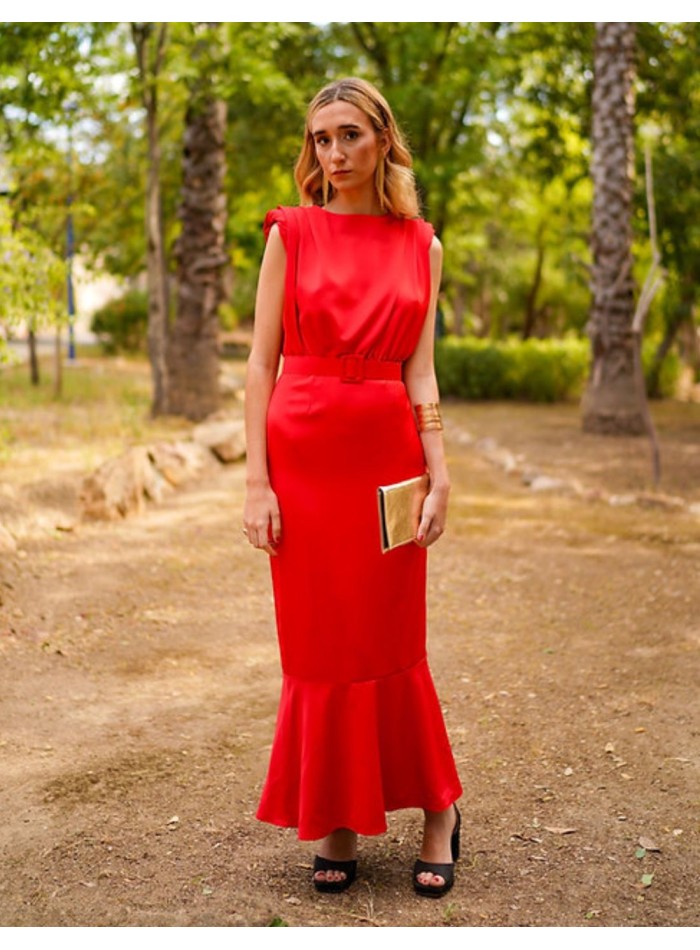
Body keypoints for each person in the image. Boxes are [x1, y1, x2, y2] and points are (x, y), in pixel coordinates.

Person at [243, 77, 463, 898]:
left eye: (348, 136)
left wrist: (440, 471)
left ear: (381, 139)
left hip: (386, 460)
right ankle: (334, 816)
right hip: (300, 466)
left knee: (390, 642)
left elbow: (422, 369)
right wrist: (256, 483)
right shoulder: (290, 234)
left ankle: (438, 811)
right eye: (320, 139)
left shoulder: (422, 245)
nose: (332, 154)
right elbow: (259, 366)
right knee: (318, 646)